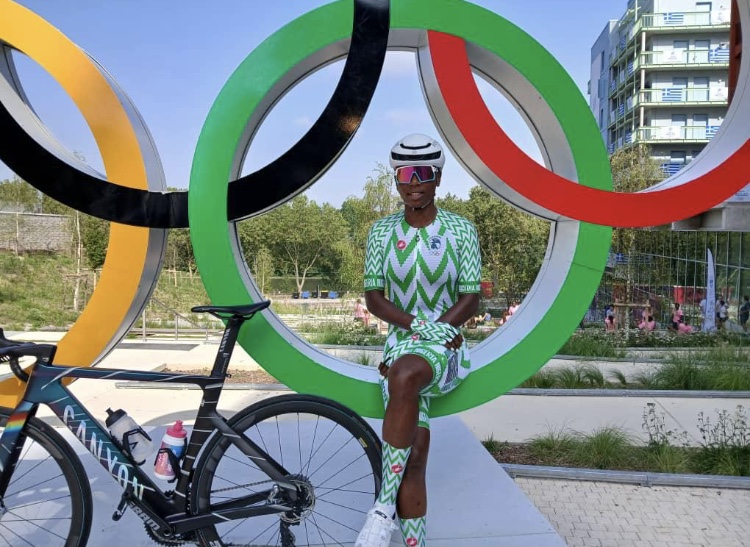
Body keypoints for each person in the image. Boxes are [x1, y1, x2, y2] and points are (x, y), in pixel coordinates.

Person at [355, 134, 481, 547]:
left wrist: (437, 332)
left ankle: (381, 508)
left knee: (407, 373)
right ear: (395, 180)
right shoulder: (380, 232)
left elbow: (470, 297)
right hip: (402, 341)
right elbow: (374, 298)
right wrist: (416, 326)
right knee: (416, 453)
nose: (413, 182)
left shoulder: (461, 230)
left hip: (447, 343)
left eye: (422, 173)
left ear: (438, 178)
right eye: (403, 174)